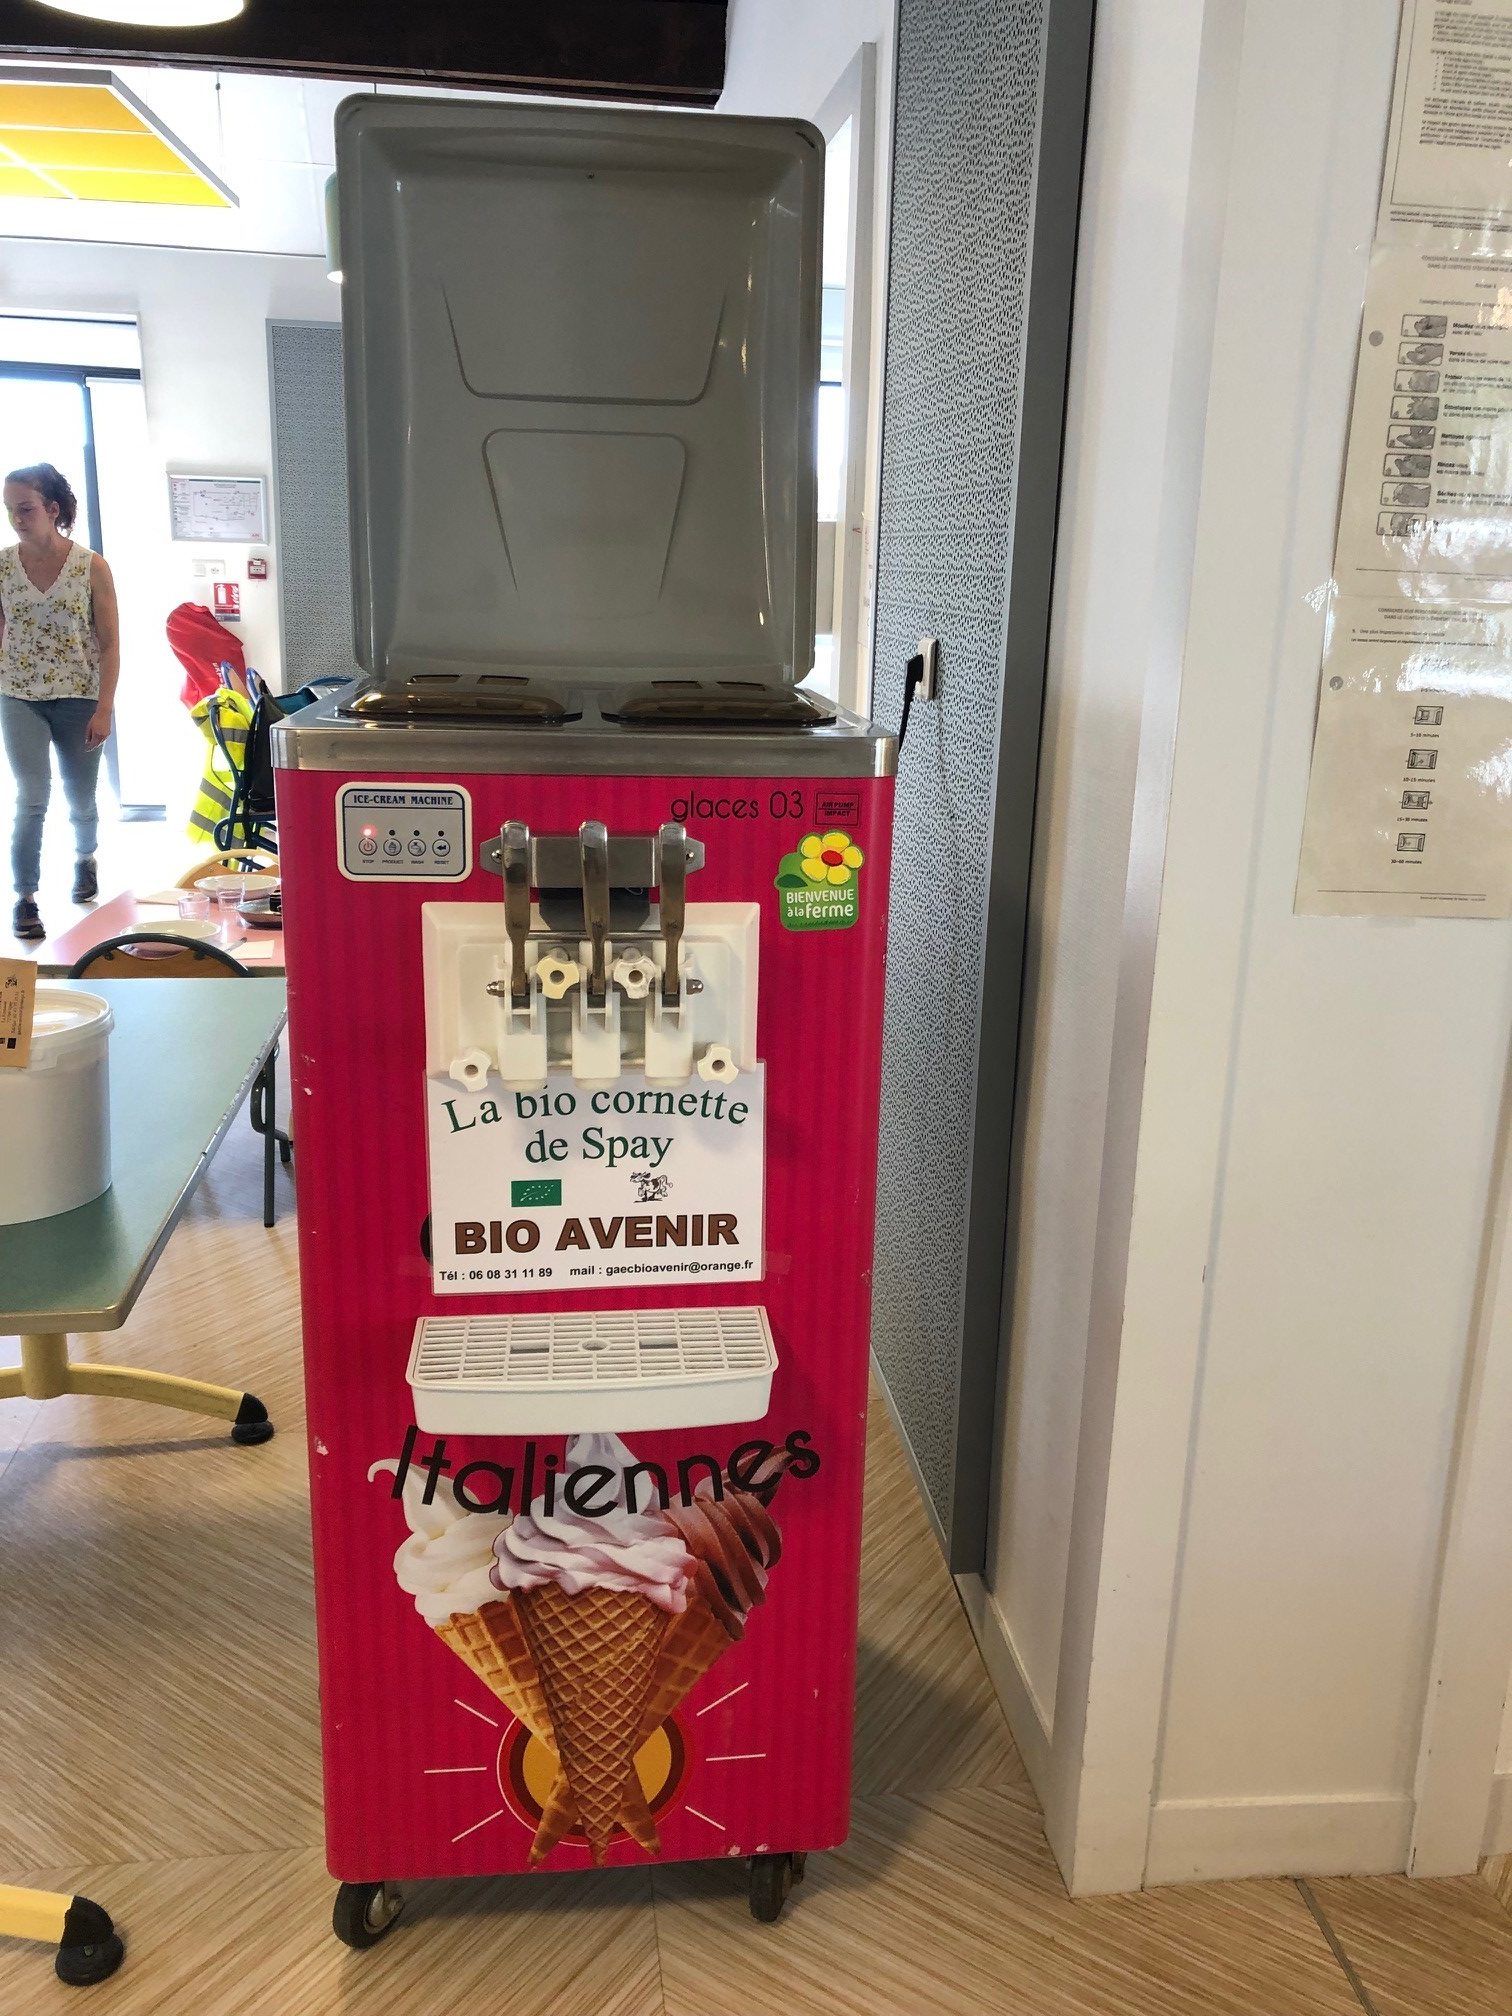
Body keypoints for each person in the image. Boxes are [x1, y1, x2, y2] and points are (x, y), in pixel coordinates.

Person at [0, 464, 120, 941]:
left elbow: (109, 643)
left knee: (80, 797)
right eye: (10, 510)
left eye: (26, 509)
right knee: (31, 796)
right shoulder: (2, 566)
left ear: (52, 509)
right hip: (19, 694)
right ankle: (25, 897)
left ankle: (85, 857)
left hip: (79, 696)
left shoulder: (91, 566)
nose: (17, 519)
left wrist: (104, 708)